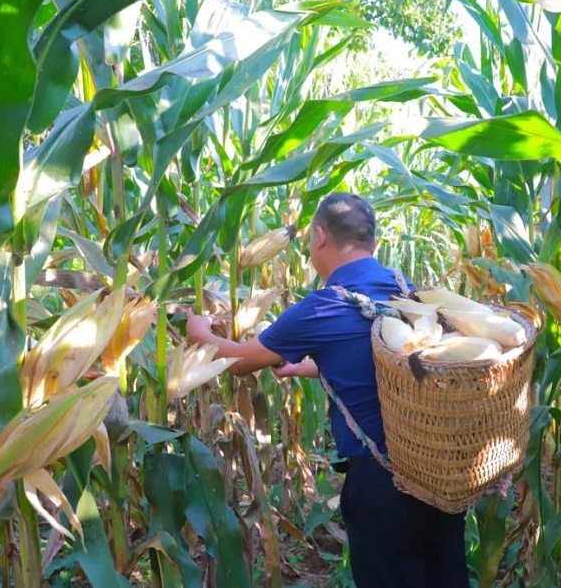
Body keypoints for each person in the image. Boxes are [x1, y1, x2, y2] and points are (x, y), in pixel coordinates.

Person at [186, 193, 468, 588]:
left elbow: (241, 360)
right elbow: (397, 360)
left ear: (319, 237)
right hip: (440, 475)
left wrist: (198, 332)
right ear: (374, 244)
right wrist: (316, 366)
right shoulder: (412, 294)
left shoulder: (321, 307)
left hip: (383, 486)